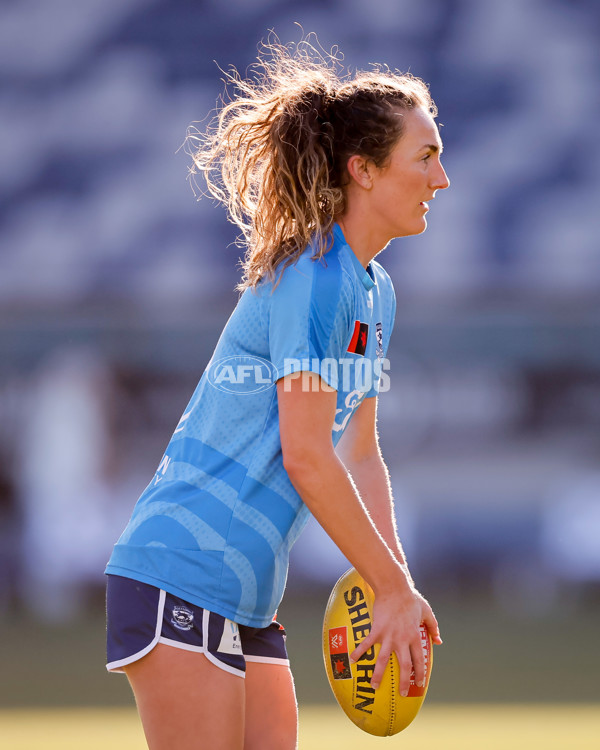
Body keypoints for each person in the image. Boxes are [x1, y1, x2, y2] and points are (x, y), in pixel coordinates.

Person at [105, 37, 449, 750]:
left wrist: (397, 585)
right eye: (426, 156)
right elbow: (307, 457)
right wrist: (387, 585)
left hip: (248, 600)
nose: (442, 178)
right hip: (182, 574)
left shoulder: (374, 292)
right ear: (363, 169)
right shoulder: (316, 278)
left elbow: (359, 452)